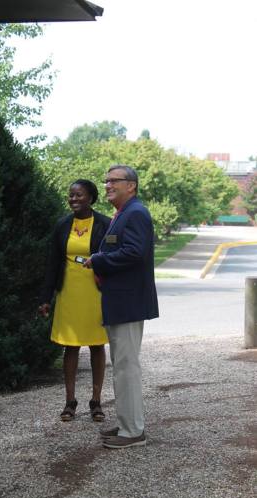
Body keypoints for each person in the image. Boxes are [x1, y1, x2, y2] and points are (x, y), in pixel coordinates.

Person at [84, 165, 159, 449]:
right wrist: (101, 256)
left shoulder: (136, 213)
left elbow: (135, 253)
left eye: (114, 180)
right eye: (105, 181)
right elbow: (123, 249)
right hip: (120, 300)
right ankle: (128, 423)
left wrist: (100, 260)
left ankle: (133, 432)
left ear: (132, 186)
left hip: (128, 301)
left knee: (126, 367)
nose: (107, 185)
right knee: (122, 366)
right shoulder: (125, 213)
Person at [39, 179, 111, 422]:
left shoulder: (105, 224)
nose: (74, 199)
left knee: (96, 345)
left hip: (95, 292)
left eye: (79, 195)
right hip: (68, 291)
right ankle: (70, 402)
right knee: (70, 346)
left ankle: (96, 401)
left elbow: (113, 259)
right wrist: (46, 298)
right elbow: (51, 263)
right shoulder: (62, 225)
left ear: (91, 197)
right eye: (71, 195)